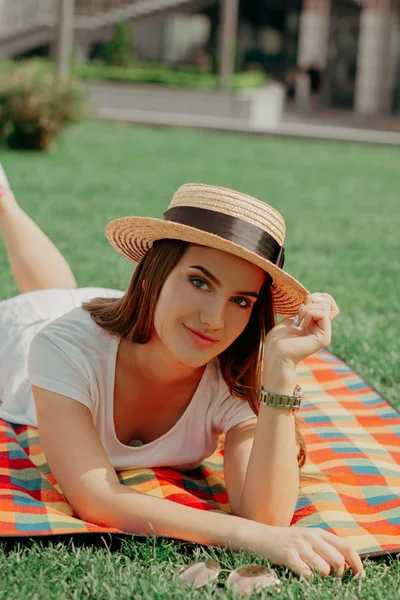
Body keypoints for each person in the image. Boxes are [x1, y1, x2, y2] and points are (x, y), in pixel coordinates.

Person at [0, 181, 364, 579]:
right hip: (21, 339)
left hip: (149, 321)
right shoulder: (62, 349)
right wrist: (250, 538)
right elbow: (96, 497)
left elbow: (267, 515)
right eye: (200, 281)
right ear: (154, 274)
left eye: (240, 300)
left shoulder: (229, 373)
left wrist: (279, 368)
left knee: (59, 290)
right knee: (47, 298)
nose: (214, 320)